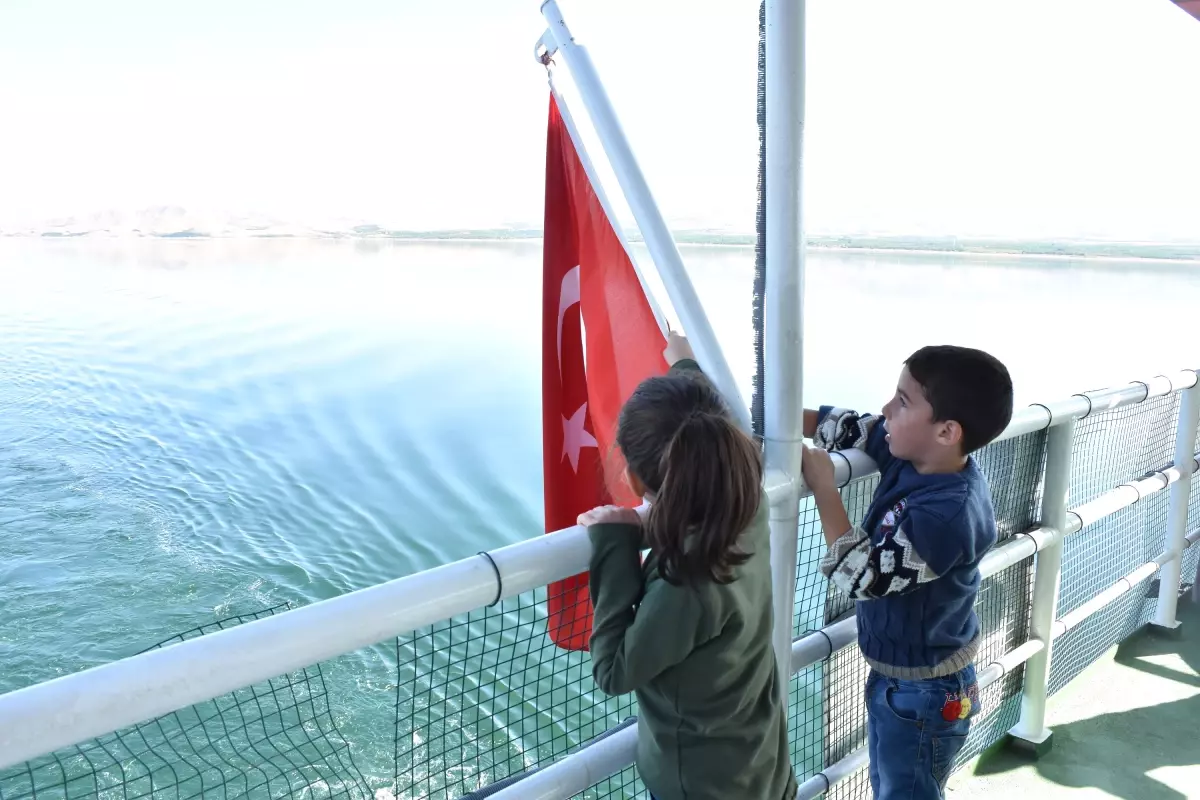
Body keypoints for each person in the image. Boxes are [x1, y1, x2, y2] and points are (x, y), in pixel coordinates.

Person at [579, 332, 797, 800]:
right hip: (763, 764)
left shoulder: (691, 580)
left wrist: (615, 546)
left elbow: (614, 671)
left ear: (635, 478)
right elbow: (711, 424)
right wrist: (685, 367)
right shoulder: (746, 503)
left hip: (704, 786)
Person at [800, 345, 1013, 799]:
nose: (885, 410)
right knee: (894, 788)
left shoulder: (947, 514)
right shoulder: (912, 454)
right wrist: (773, 427)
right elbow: (854, 426)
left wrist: (824, 488)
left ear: (946, 431)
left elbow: (862, 577)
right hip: (902, 680)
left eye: (902, 401)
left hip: (928, 693)